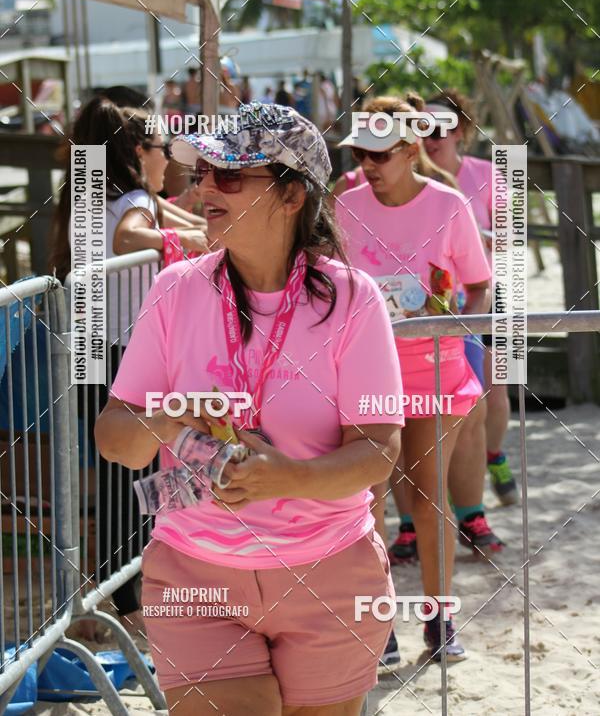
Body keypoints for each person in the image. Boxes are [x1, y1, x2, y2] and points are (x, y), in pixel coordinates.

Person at [95, 101, 404, 715]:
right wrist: (165, 416)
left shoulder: (354, 298)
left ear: (293, 196)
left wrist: (288, 477)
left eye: (229, 175)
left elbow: (378, 452)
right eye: (202, 173)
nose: (206, 187)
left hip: (330, 576)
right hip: (195, 580)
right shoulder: (174, 289)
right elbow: (115, 438)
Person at [335, 97, 491, 662]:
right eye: (359, 152)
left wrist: (458, 326)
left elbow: (478, 284)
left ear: (409, 149)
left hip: (436, 371)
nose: (368, 163)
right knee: (366, 501)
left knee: (428, 501)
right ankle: (381, 630)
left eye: (379, 153)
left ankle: (440, 620)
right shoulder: (344, 206)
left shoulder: (448, 203)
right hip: (364, 376)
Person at [50, 98, 208, 642]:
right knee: (136, 481)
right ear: (140, 153)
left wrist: (193, 224)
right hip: (124, 353)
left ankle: (111, 589)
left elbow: (176, 216)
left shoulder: (92, 195)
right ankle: (126, 596)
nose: (172, 160)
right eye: (165, 150)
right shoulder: (135, 199)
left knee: (120, 478)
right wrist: (186, 242)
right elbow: (133, 237)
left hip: (94, 348)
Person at [423, 89, 519, 508]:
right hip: (431, 303)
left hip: (490, 292)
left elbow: (514, 238)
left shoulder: (488, 174)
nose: (431, 137)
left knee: (495, 391)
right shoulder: (408, 179)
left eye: (441, 127)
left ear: (460, 131)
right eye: (421, 127)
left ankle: (493, 456)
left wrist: (479, 242)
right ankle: (441, 490)